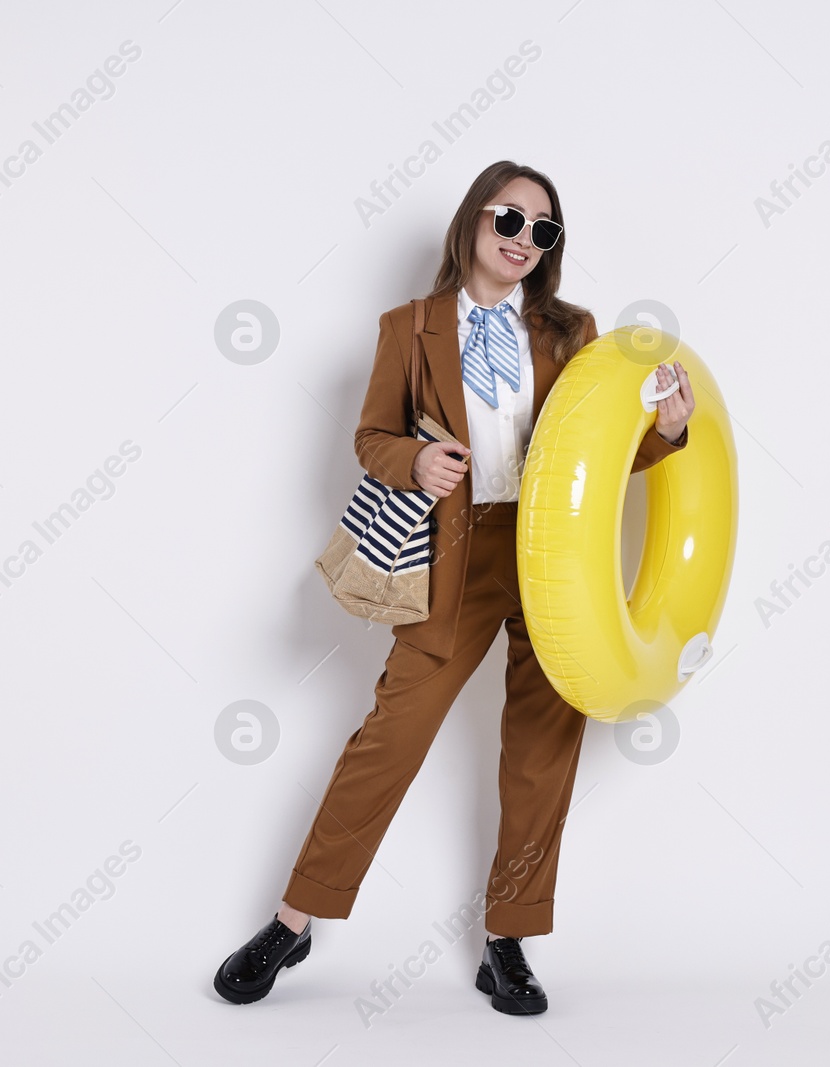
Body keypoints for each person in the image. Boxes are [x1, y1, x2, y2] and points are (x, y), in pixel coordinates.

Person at [213, 160, 693, 1015]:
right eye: (509, 219)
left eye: (542, 230)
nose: (522, 240)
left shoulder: (570, 330)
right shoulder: (409, 327)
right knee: (390, 737)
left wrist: (667, 434)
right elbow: (371, 437)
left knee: (544, 750)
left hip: (561, 558)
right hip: (452, 557)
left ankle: (506, 940)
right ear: (474, 221)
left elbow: (607, 455)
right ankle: (294, 919)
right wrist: (416, 460)